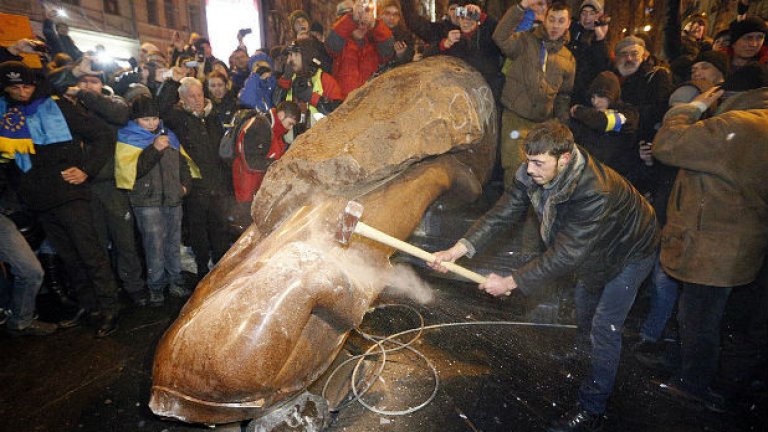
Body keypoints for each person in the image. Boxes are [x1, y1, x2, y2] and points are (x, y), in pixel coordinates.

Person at [430, 121, 658, 432]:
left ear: (564, 159)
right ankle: (581, 358)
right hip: (594, 251)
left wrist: (510, 282)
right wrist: (458, 249)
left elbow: (565, 255)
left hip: (632, 250)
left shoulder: (595, 190)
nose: (530, 169)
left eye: (539, 163)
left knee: (605, 325)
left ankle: (592, 408)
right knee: (584, 304)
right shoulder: (533, 172)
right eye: (528, 160)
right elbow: (503, 213)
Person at [650, 67, 768, 413]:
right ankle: (685, 368)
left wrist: (692, 108)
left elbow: (667, 145)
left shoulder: (737, 125)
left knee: (698, 316)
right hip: (737, 239)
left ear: (725, 95)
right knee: (706, 314)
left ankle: (693, 385)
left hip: (713, 242)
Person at [0, 61, 120, 337]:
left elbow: (102, 135)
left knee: (91, 254)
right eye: (14, 88)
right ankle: (89, 308)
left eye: (26, 85)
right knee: (69, 258)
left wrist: (86, 170)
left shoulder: (57, 107)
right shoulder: (6, 116)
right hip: (39, 200)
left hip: (70, 195)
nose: (22, 92)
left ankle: (109, 306)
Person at [63, 57, 148, 306]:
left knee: (125, 242)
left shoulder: (112, 101)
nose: (89, 86)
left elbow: (121, 114)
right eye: (84, 81)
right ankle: (108, 292)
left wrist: (86, 95)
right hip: (84, 188)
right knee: (97, 245)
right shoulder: (69, 107)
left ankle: (134, 287)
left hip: (112, 184)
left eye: (94, 81)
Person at [115, 96, 195, 305]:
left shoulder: (168, 136)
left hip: (172, 199)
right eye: (146, 119)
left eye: (155, 118)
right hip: (146, 202)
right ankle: (156, 287)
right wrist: (154, 149)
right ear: (136, 120)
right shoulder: (128, 138)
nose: (152, 123)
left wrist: (185, 186)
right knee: (154, 246)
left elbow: (183, 164)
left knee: (173, 243)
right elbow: (134, 171)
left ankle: (176, 281)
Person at [492, 0, 575, 187]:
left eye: (561, 21)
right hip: (516, 118)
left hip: (544, 123)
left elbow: (564, 96)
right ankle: (512, 214)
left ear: (568, 23)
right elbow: (500, 37)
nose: (555, 25)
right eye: (552, 19)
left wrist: (563, 126)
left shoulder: (568, 58)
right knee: (515, 171)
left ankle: (535, 214)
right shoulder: (524, 40)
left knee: (542, 174)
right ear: (544, 20)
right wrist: (521, 7)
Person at [163, 77, 230, 282]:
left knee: (219, 226)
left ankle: (220, 265)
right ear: (182, 99)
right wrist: (170, 82)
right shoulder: (178, 119)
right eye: (191, 96)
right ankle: (202, 268)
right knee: (198, 229)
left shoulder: (213, 116)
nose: (197, 99)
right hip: (195, 185)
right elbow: (162, 109)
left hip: (216, 182)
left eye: (199, 94)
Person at [568, 71, 641, 187]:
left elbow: (604, 122)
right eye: (593, 97)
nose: (595, 102)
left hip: (613, 180)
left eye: (601, 96)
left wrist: (580, 112)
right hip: (587, 177)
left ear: (612, 95)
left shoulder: (629, 113)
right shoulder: (589, 116)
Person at [326, 0, 395, 99]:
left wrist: (375, 24)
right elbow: (332, 44)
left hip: (369, 106)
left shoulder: (374, 45)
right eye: (358, 23)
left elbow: (389, 51)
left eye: (364, 23)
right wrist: (352, 18)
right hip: (344, 106)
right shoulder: (341, 45)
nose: (361, 26)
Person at [434, 1, 503, 95]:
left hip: (487, 91)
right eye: (462, 17)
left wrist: (482, 16)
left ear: (478, 20)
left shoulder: (488, 37)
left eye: (470, 17)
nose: (466, 22)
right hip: (461, 91)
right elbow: (429, 57)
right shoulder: (454, 38)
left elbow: (500, 31)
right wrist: (445, 43)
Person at [274, 40, 343, 132]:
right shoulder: (288, 79)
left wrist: (312, 97)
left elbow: (339, 113)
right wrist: (285, 80)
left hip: (319, 139)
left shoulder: (325, 80)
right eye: (290, 55)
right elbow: (276, 107)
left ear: (306, 56)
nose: (290, 59)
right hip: (292, 141)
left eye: (295, 55)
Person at [568, 0, 612, 105]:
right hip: (567, 87)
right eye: (584, 13)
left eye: (592, 13)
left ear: (598, 16)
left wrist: (600, 39)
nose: (587, 17)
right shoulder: (572, 31)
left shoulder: (600, 39)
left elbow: (602, 66)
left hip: (584, 95)